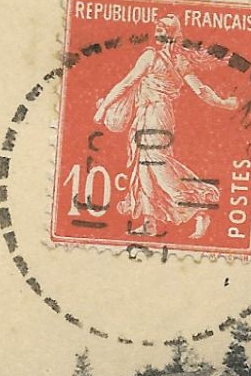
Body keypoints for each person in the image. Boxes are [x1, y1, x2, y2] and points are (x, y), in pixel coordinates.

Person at [93, 14, 239, 239]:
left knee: (158, 166)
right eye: (157, 27)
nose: (157, 31)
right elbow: (201, 91)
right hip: (149, 114)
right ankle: (149, 222)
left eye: (161, 28)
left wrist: (103, 109)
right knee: (144, 167)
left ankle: (199, 209)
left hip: (156, 114)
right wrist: (224, 103)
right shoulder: (178, 61)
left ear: (169, 33)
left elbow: (128, 82)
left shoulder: (152, 56)